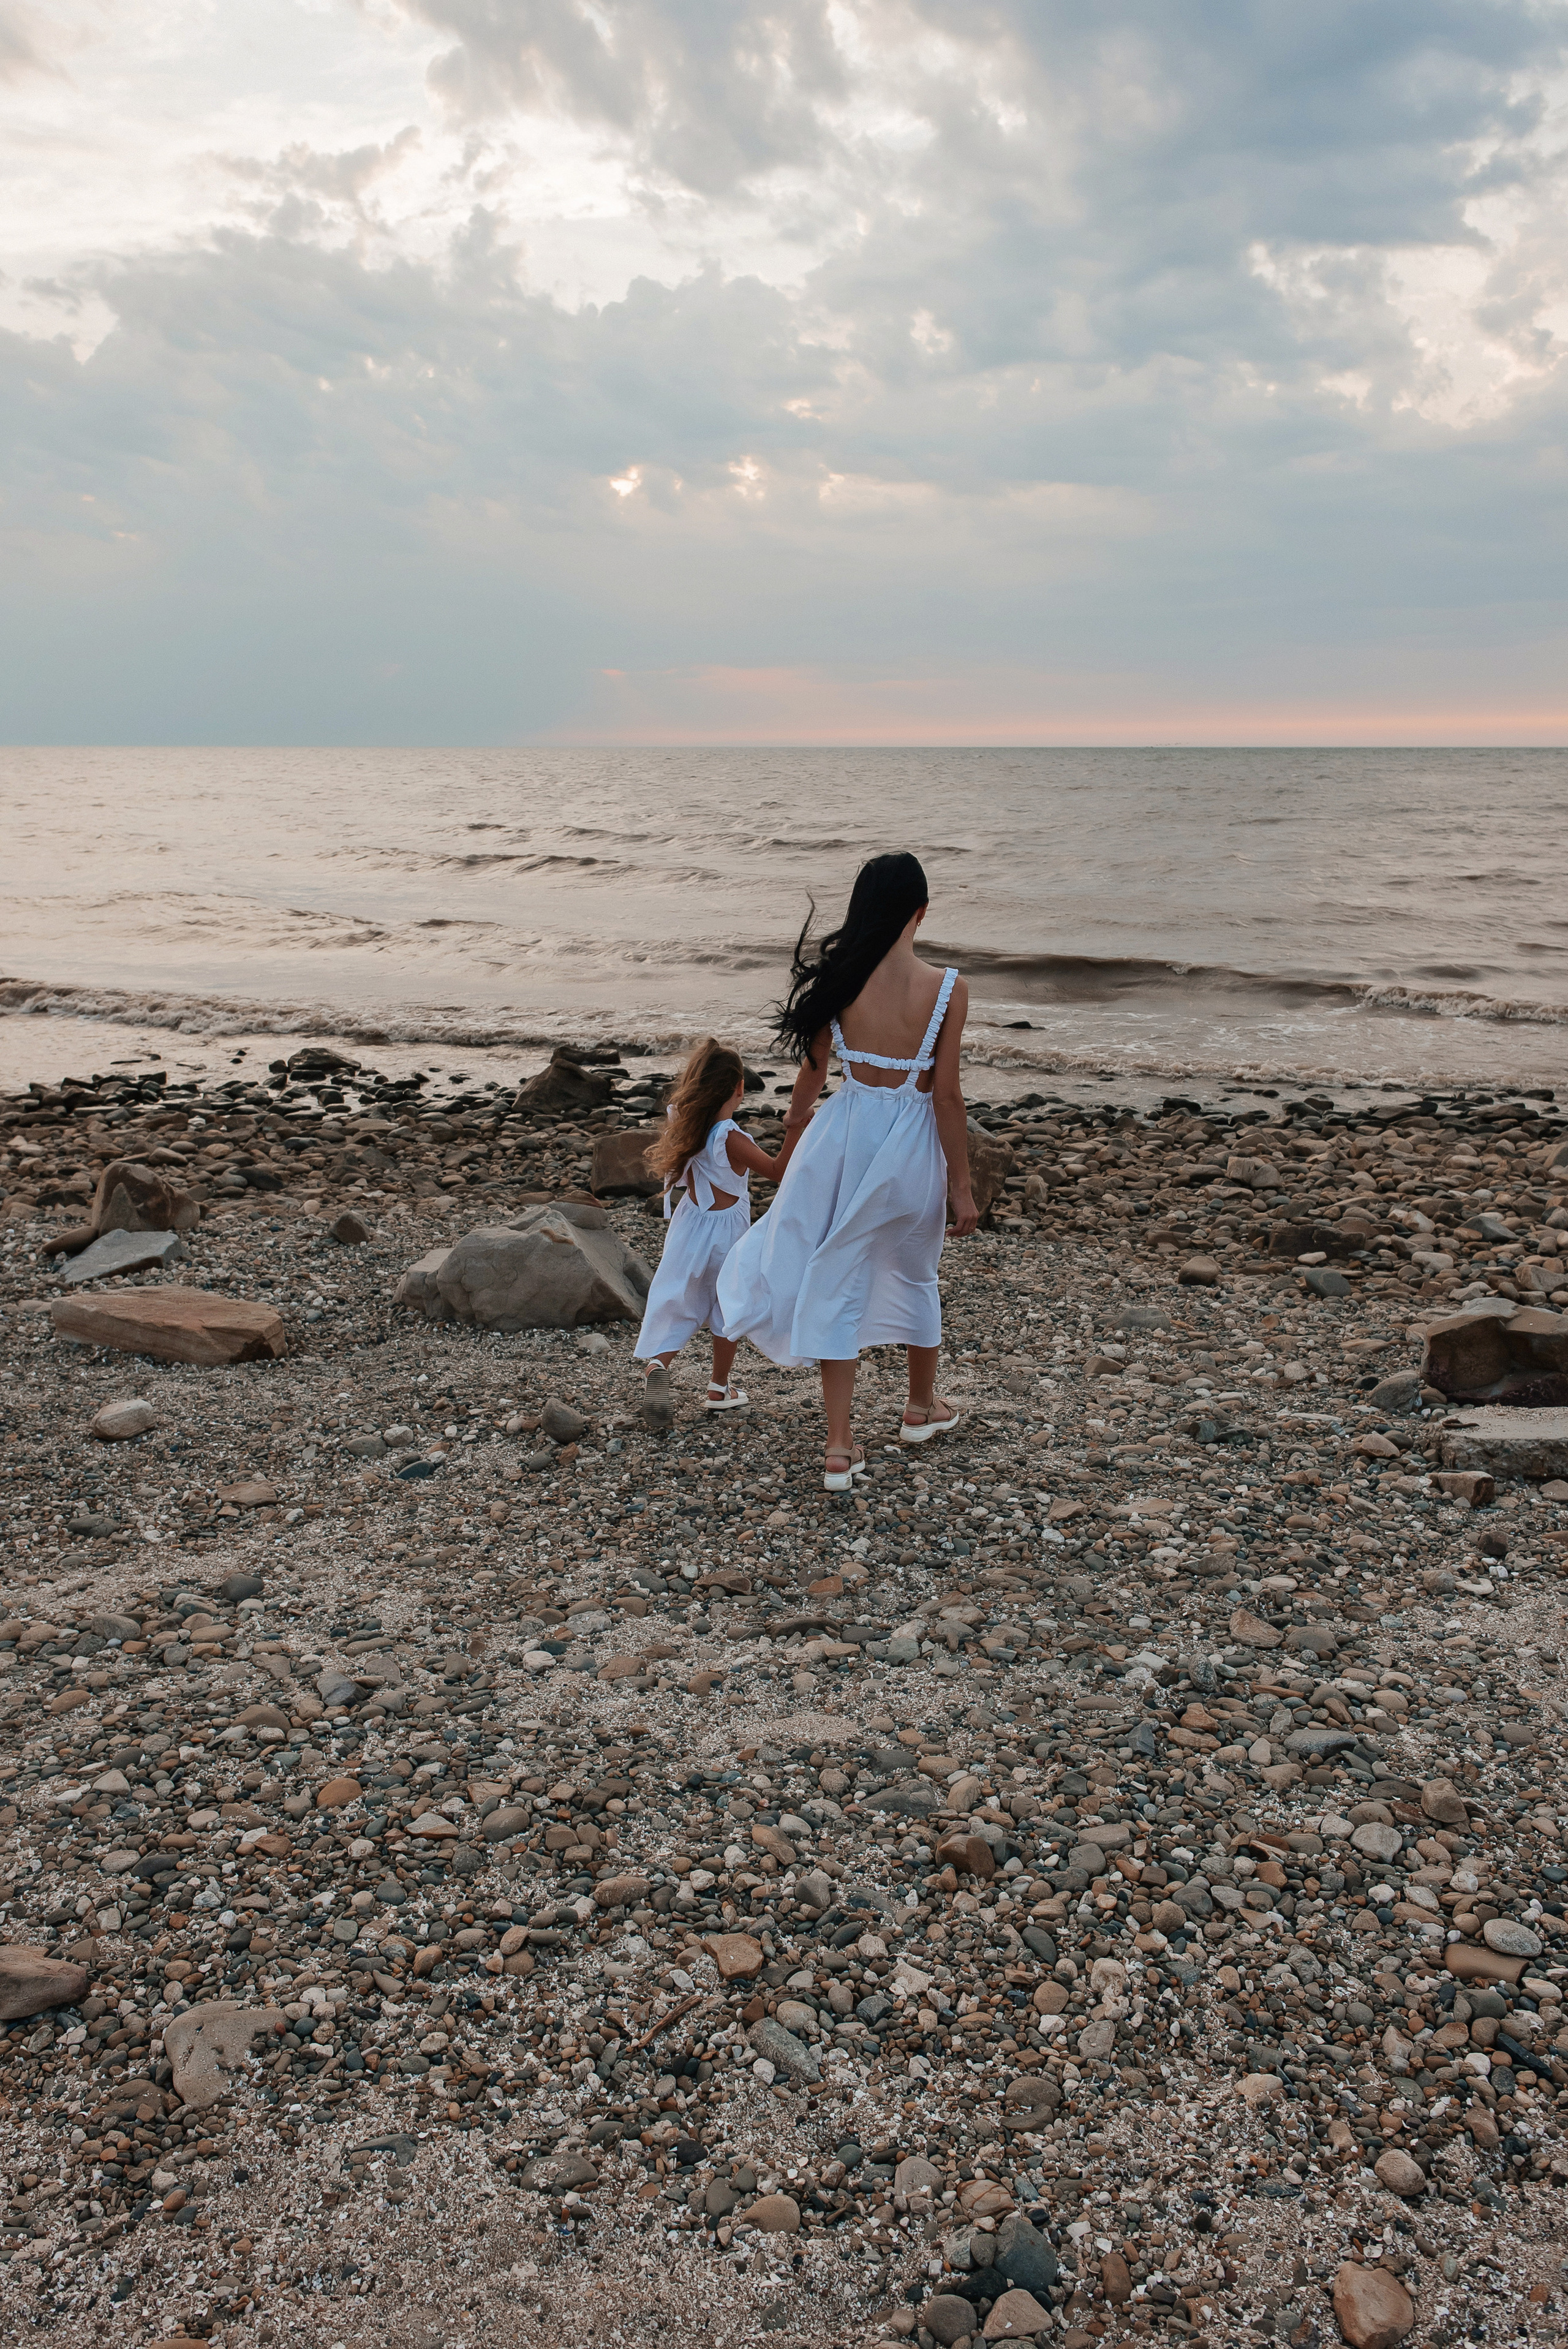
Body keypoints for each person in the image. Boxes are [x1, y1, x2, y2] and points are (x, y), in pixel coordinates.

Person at [717, 851, 976, 1489]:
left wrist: (797, 1128)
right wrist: (961, 1186)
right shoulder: (947, 988)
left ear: (861, 912)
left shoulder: (840, 981)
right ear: (920, 911)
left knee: (834, 1273)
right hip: (911, 1143)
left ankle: (839, 1446)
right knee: (915, 1272)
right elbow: (945, 1096)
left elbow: (812, 1074)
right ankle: (920, 1409)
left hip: (843, 1138)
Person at [633, 1037, 803, 1418]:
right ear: (740, 1088)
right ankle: (718, 1387)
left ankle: (659, 1365)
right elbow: (778, 1171)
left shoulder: (687, 1125)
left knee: (682, 1300)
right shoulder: (731, 1137)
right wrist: (794, 1127)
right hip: (727, 1233)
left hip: (690, 1225)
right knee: (727, 1302)